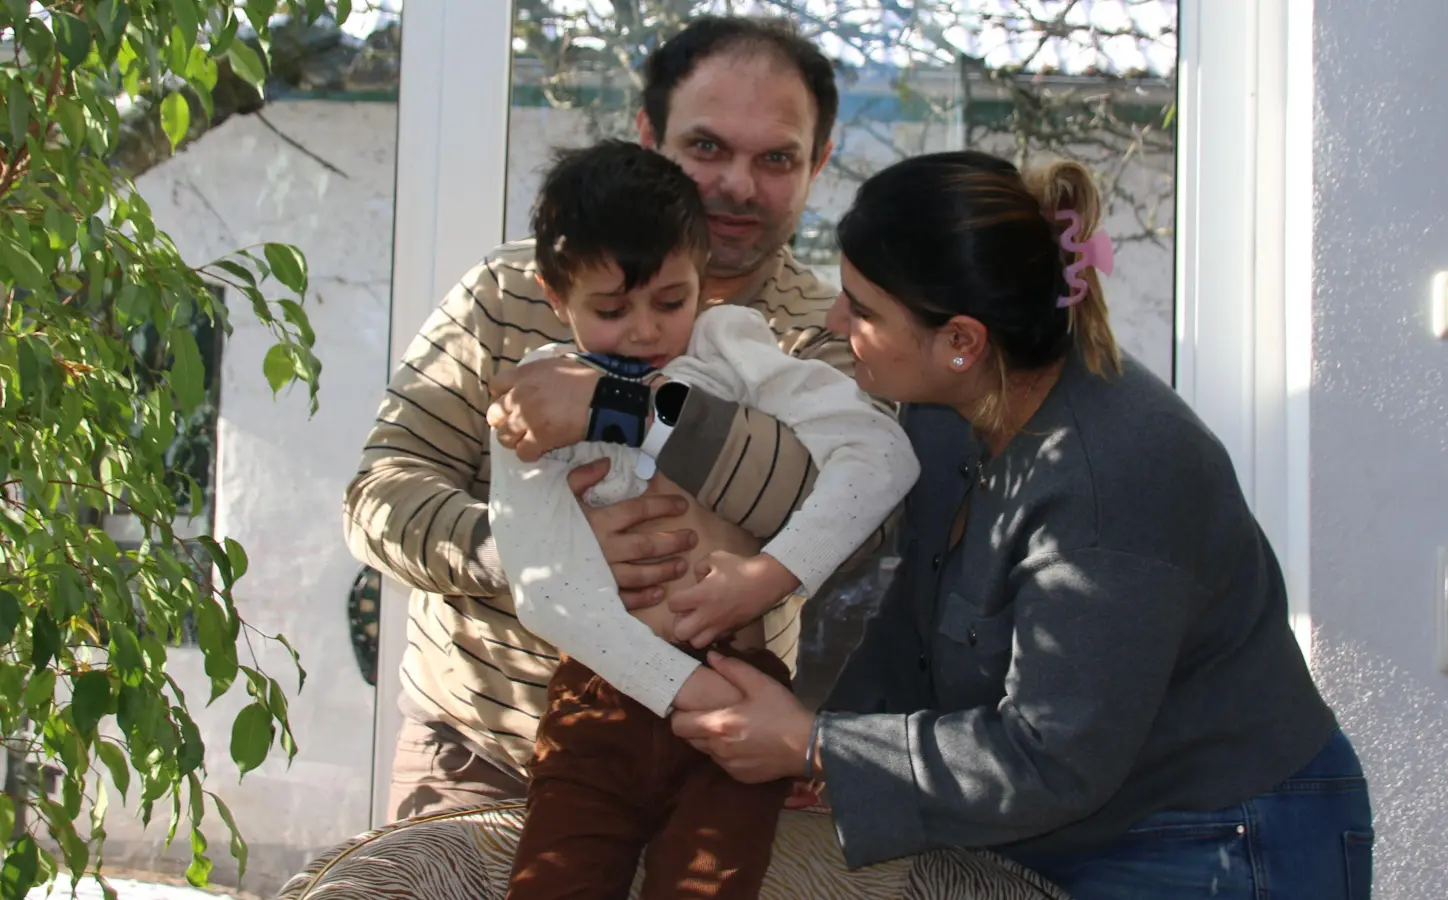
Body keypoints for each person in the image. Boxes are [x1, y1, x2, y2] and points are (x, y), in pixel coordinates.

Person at [669, 150, 1375, 899]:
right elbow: (911, 617)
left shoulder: (1111, 480)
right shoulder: (948, 414)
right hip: (1074, 823)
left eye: (864, 309)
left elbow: (1052, 758)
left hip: (1219, 839)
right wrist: (823, 736)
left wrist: (815, 746)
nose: (838, 323)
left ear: (962, 342)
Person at [341, 15, 868, 821]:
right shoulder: (510, 289)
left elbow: (824, 508)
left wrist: (613, 406)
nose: (736, 184)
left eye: (775, 159)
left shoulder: (829, 329)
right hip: (481, 757)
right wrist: (525, 552)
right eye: (706, 148)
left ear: (818, 164)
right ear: (648, 134)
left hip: (708, 764)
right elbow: (379, 493)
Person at [493, 140, 915, 900]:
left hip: (742, 695)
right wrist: (686, 690)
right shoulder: (535, 398)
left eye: (672, 300)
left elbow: (882, 456)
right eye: (611, 310)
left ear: (704, 279)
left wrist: (769, 577)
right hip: (601, 702)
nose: (648, 332)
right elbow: (544, 591)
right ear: (555, 296)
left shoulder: (732, 347)